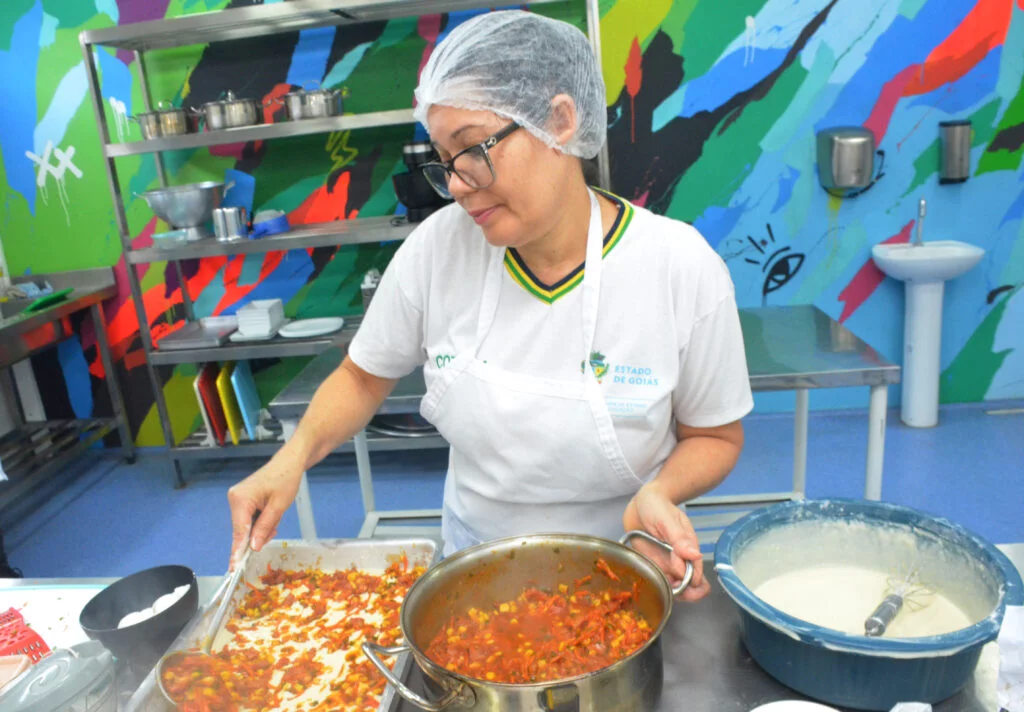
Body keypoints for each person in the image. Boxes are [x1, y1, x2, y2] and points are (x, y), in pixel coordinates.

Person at [228, 10, 752, 602]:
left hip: (623, 567)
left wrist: (660, 494)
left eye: (472, 148)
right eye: (443, 159)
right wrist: (292, 457)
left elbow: (715, 437)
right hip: (476, 570)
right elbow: (362, 376)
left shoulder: (679, 265)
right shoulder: (437, 249)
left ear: (560, 122)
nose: (455, 183)